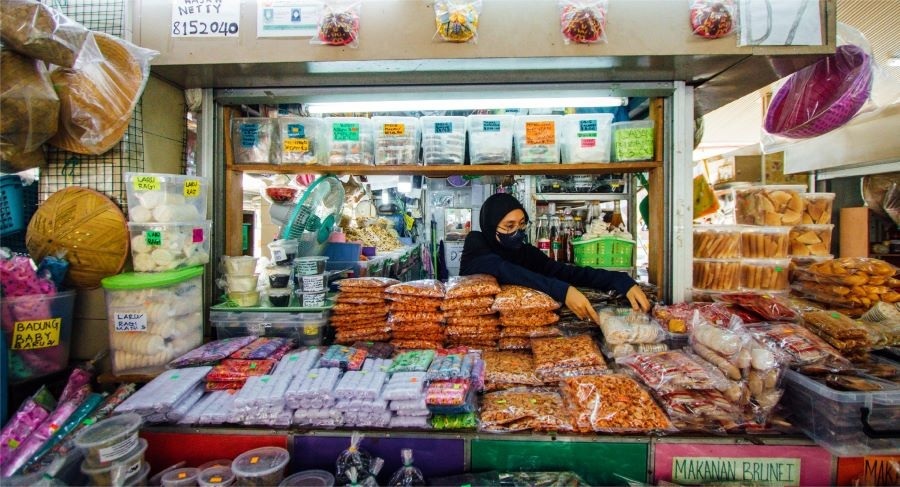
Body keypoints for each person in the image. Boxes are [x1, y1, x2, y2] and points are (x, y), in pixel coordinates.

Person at [460, 193, 650, 323]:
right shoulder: (476, 242)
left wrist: (617, 279)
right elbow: (502, 269)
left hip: (522, 332)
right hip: (477, 331)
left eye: (521, 224)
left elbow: (565, 272)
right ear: (490, 225)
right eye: (509, 226)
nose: (517, 231)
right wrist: (562, 291)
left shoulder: (526, 252)